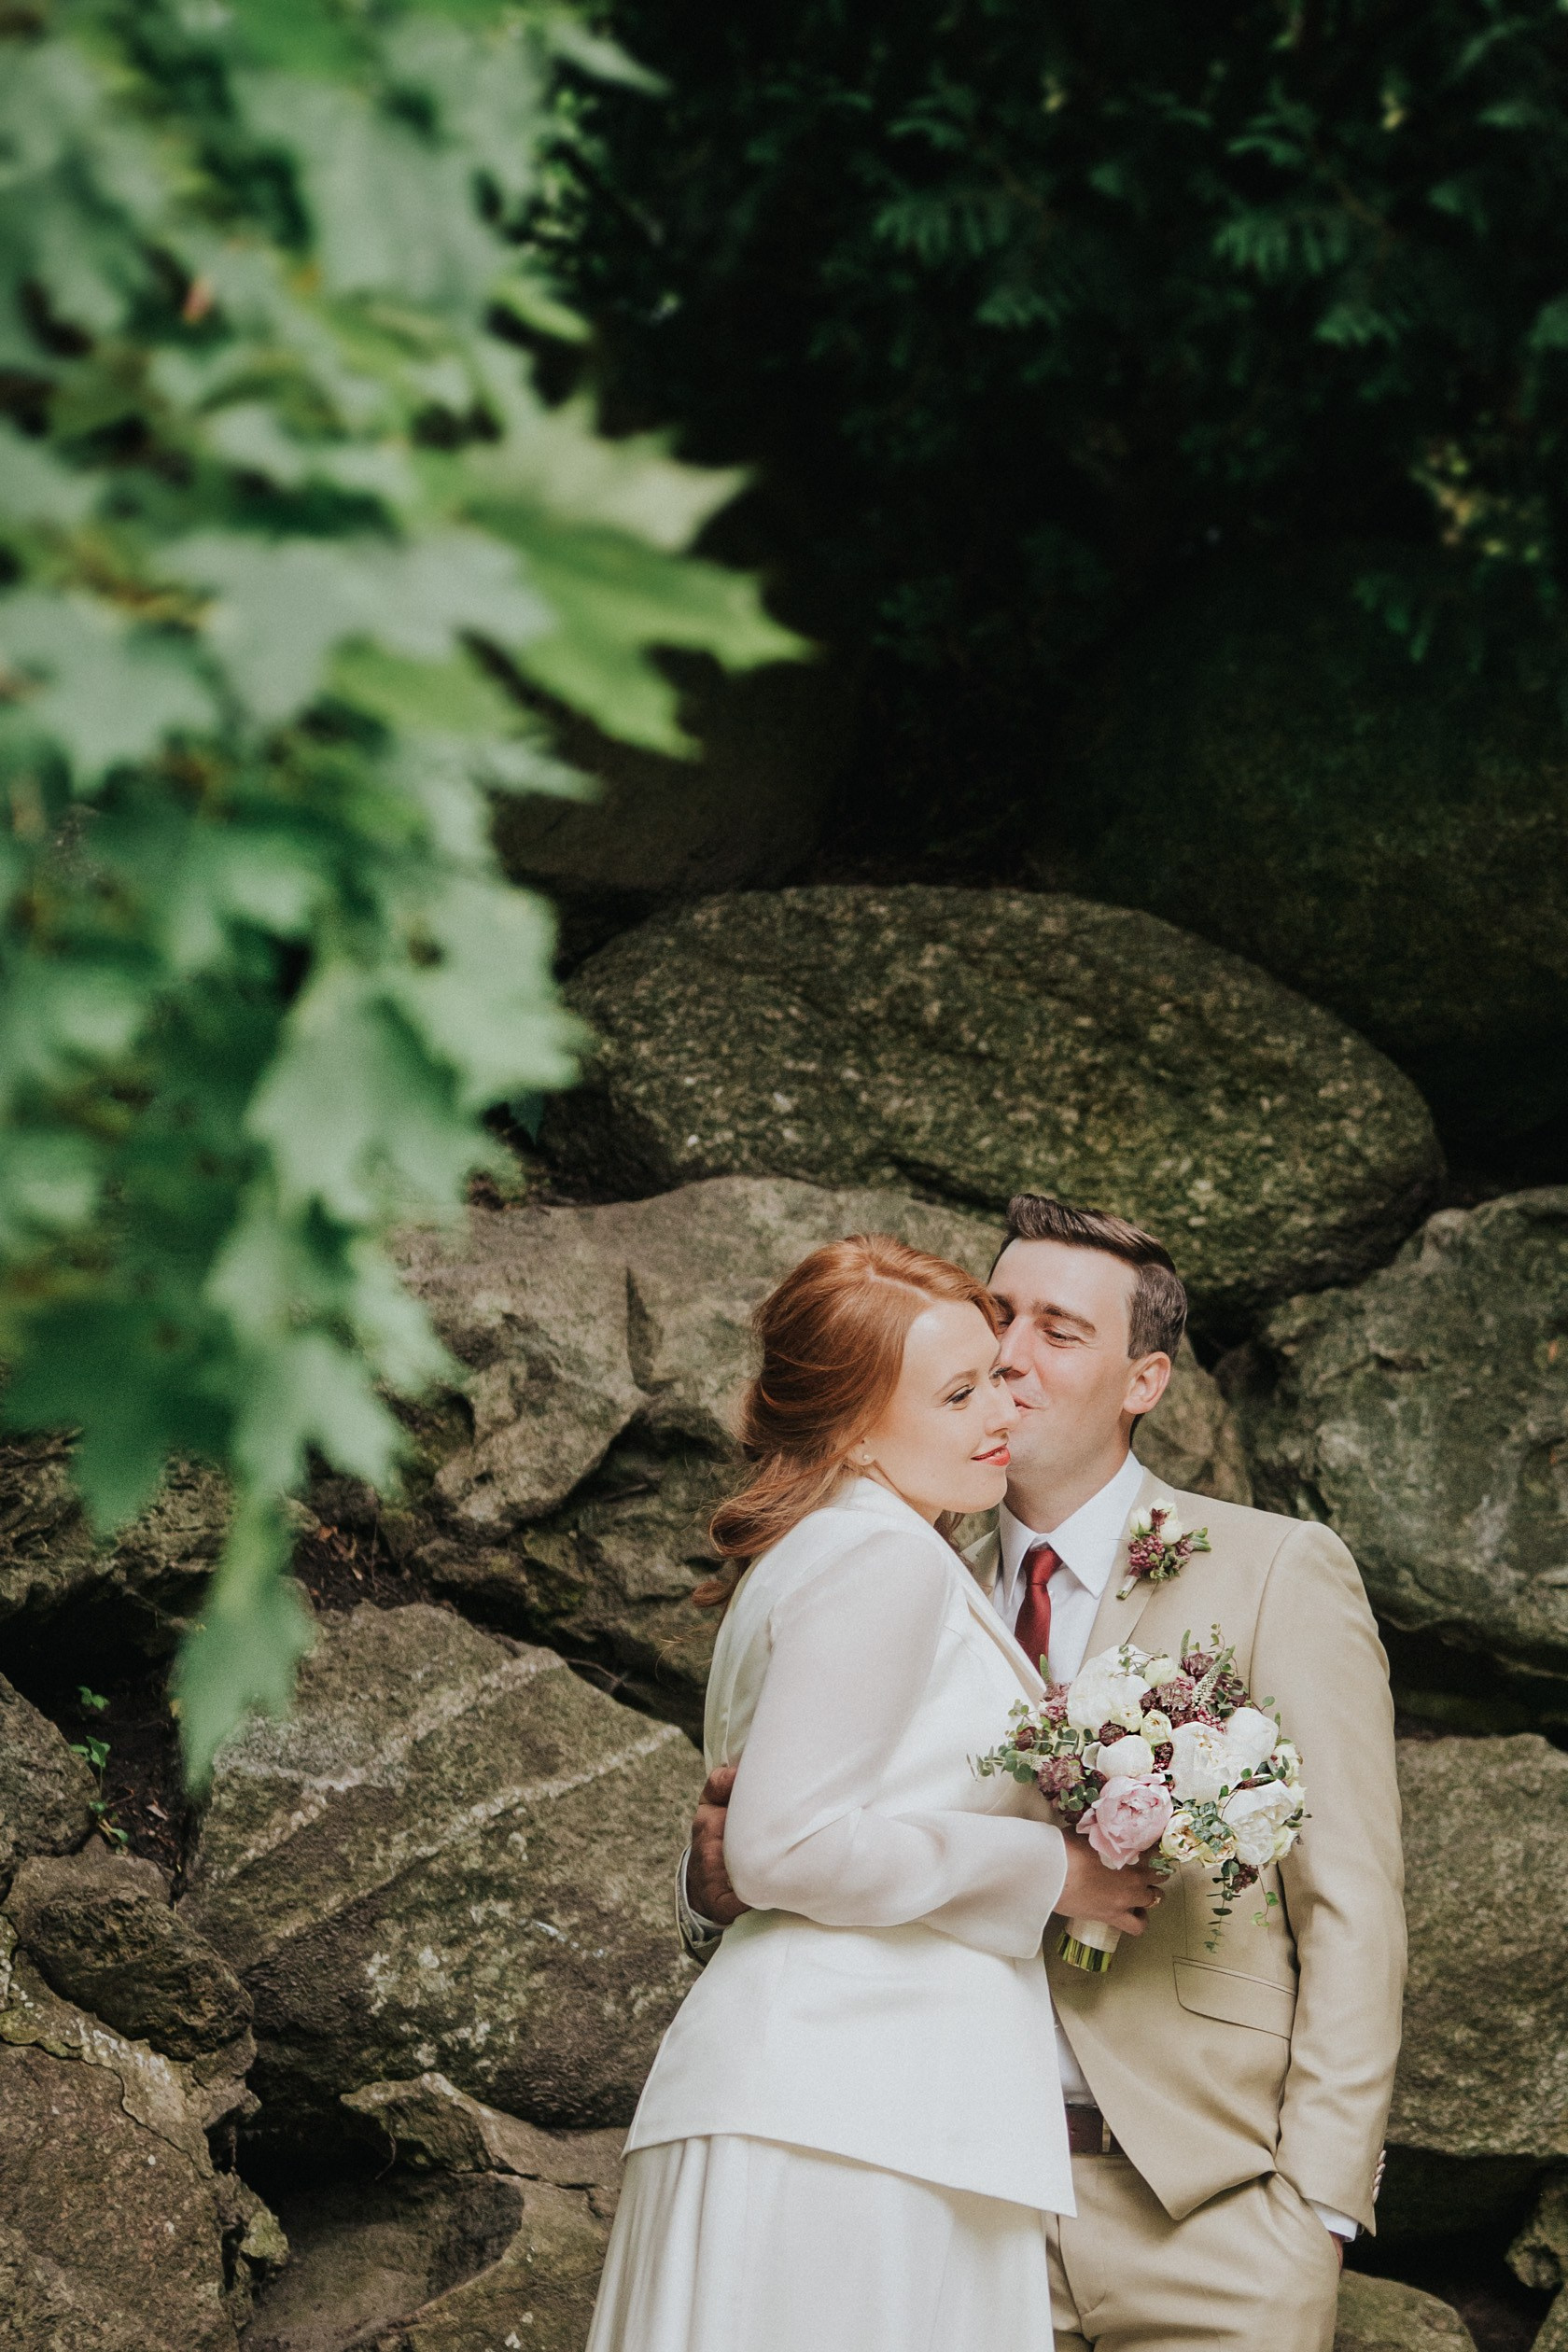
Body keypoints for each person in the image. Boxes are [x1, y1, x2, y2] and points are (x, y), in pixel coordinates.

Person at [681, 1195, 1406, 2352]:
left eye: (1060, 1332)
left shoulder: (1276, 1570)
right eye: (1000, 1314)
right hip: (953, 2186)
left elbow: (1353, 1902)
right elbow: (800, 1831)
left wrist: (1314, 2204)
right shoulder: (897, 1551)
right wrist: (716, 1884)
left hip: (1205, 2213)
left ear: (1145, 1382)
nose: (1010, 1356)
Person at [587, 1232, 1162, 2352]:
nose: (1001, 1410)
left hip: (835, 2100)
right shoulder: (880, 1558)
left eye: (996, 1376)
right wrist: (1057, 1874)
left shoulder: (832, 1545)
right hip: (855, 2112)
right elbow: (784, 1850)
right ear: (852, 1423)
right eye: (958, 1393)